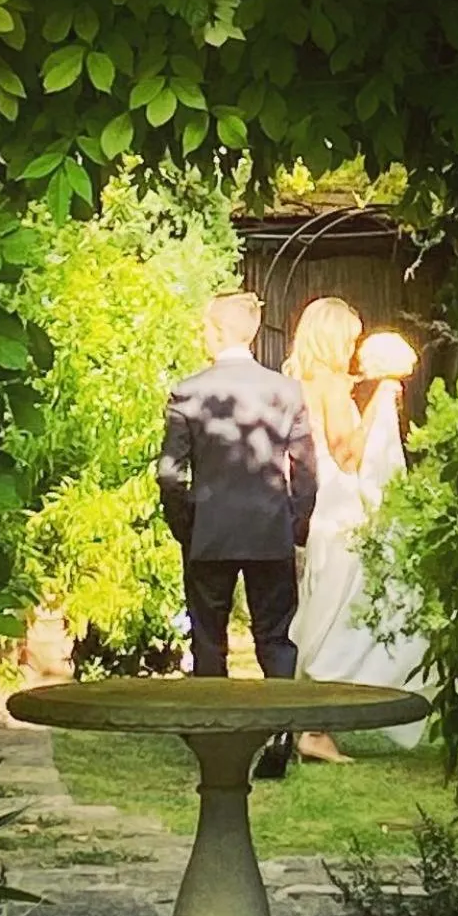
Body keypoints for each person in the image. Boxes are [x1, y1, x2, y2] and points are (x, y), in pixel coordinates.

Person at [156, 292, 318, 779]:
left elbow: (170, 474)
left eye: (205, 328)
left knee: (209, 636)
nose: (201, 335)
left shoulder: (188, 392)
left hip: (210, 531)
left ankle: (215, 734)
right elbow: (306, 469)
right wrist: (295, 522)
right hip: (268, 527)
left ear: (218, 331)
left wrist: (186, 524)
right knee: (275, 636)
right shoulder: (286, 392)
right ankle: (282, 731)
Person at [285, 298, 431, 764]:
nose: (352, 347)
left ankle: (313, 722)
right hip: (339, 506)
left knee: (324, 608)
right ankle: (316, 723)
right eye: (349, 337)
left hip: (312, 505)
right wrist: (383, 397)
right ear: (332, 336)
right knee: (347, 609)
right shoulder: (328, 385)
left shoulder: (296, 380)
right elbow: (349, 452)